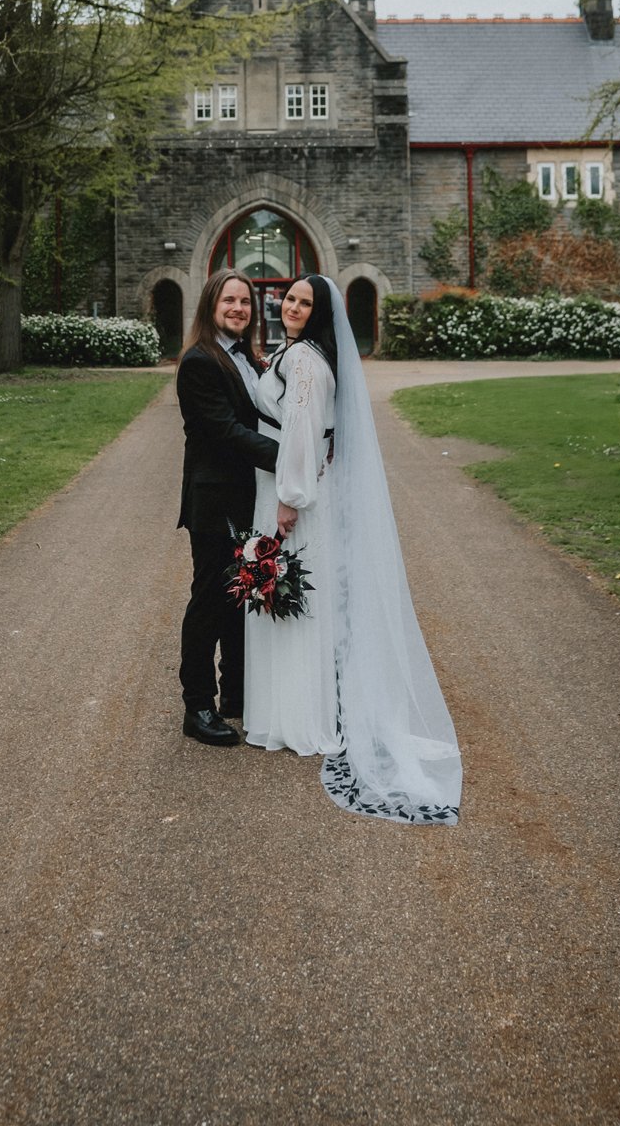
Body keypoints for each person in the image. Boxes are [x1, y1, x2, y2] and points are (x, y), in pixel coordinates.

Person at [245, 275, 461, 824]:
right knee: (300, 598)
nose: (292, 306)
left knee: (299, 600)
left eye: (303, 302)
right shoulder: (301, 354)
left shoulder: (305, 363)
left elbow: (300, 430)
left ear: (319, 313)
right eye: (289, 298)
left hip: (294, 495)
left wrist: (290, 499)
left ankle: (301, 718)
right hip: (301, 486)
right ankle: (297, 709)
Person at [175, 269, 279, 747]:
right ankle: (197, 705)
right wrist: (289, 458)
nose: (238, 308)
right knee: (210, 601)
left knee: (243, 598)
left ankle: (236, 693)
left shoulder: (250, 359)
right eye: (229, 301)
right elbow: (225, 432)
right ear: (211, 307)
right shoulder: (200, 362)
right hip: (215, 500)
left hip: (248, 499)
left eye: (244, 301)